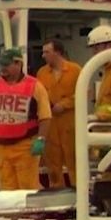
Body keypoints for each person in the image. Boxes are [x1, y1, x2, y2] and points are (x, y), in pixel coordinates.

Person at [0, 47, 52, 191]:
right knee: (6, 188)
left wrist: (41, 139)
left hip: (24, 147)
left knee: (27, 188)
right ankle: (10, 214)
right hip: (1, 148)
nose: (2, 68)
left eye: (6, 65)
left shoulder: (34, 86)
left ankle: (27, 214)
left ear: (18, 64)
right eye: (1, 65)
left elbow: (45, 116)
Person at [36, 39, 81, 188]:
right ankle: (57, 194)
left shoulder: (75, 70)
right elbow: (38, 95)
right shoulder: (42, 73)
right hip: (51, 125)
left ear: (58, 53)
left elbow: (84, 93)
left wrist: (65, 104)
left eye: (47, 52)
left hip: (70, 124)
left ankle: (79, 194)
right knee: (53, 165)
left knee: (75, 162)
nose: (43, 55)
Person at [87, 25, 111, 122]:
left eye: (96, 48)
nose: (94, 52)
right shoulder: (110, 69)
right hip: (108, 130)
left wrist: (99, 116)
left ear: (110, 45)